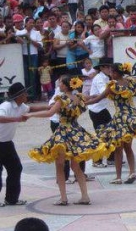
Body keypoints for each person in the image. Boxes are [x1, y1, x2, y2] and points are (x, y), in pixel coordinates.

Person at [26, 75, 110, 206]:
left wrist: (30, 115)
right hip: (76, 131)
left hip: (64, 132)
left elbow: (49, 113)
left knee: (60, 166)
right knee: (76, 167)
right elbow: (90, 98)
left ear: (65, 86)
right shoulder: (79, 97)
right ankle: (85, 196)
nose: (59, 85)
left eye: (60, 83)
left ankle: (64, 198)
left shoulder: (62, 99)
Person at [86, 63, 136, 184]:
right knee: (128, 148)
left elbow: (98, 99)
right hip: (132, 116)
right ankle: (132, 172)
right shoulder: (129, 81)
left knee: (118, 149)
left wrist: (84, 103)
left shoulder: (112, 85)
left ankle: (118, 177)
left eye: (111, 71)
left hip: (120, 118)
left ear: (115, 73)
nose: (110, 74)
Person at [0, 83, 44, 207]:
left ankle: (11, 199)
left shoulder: (21, 106)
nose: (26, 95)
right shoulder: (6, 106)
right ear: (18, 96)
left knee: (16, 168)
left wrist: (50, 107)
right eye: (24, 93)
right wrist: (16, 119)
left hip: (7, 143)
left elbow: (31, 109)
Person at [87, 57, 115, 168]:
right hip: (96, 110)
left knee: (110, 132)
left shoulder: (106, 77)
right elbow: (104, 92)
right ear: (102, 67)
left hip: (102, 109)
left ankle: (110, 158)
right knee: (101, 135)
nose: (110, 69)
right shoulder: (99, 78)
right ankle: (97, 160)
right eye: (108, 67)